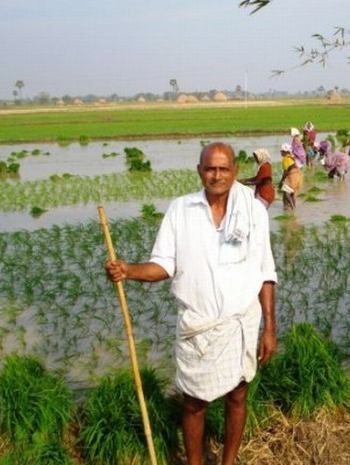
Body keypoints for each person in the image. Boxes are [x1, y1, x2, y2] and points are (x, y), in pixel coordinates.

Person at [104, 142, 277, 465]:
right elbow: (163, 265)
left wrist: (270, 328)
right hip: (198, 327)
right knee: (194, 402)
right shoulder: (181, 210)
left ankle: (228, 462)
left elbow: (266, 271)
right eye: (210, 168)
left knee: (238, 395)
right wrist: (128, 270)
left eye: (224, 169)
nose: (217, 175)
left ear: (235, 172)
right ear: (199, 171)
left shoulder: (253, 212)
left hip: (240, 324)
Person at [278, 142, 303, 210]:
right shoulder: (291, 157)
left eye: (281, 151)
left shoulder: (285, 159)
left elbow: (286, 172)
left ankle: (292, 208)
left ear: (285, 152)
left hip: (293, 176)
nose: (281, 153)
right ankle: (293, 206)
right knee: (292, 193)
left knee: (286, 191)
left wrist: (281, 181)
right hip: (298, 176)